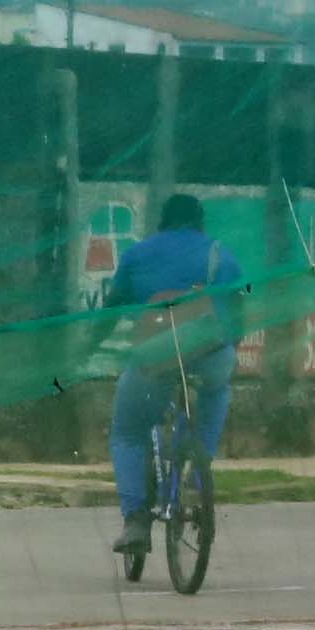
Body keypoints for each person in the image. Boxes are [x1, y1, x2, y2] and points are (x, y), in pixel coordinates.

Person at [94, 192, 246, 571]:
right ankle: (194, 470)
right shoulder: (220, 253)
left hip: (156, 356)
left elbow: (111, 311)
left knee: (127, 431)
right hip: (210, 352)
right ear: (200, 222)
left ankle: (136, 520)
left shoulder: (138, 254)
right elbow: (238, 312)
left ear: (162, 221)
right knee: (215, 387)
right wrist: (229, 345)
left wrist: (87, 348)